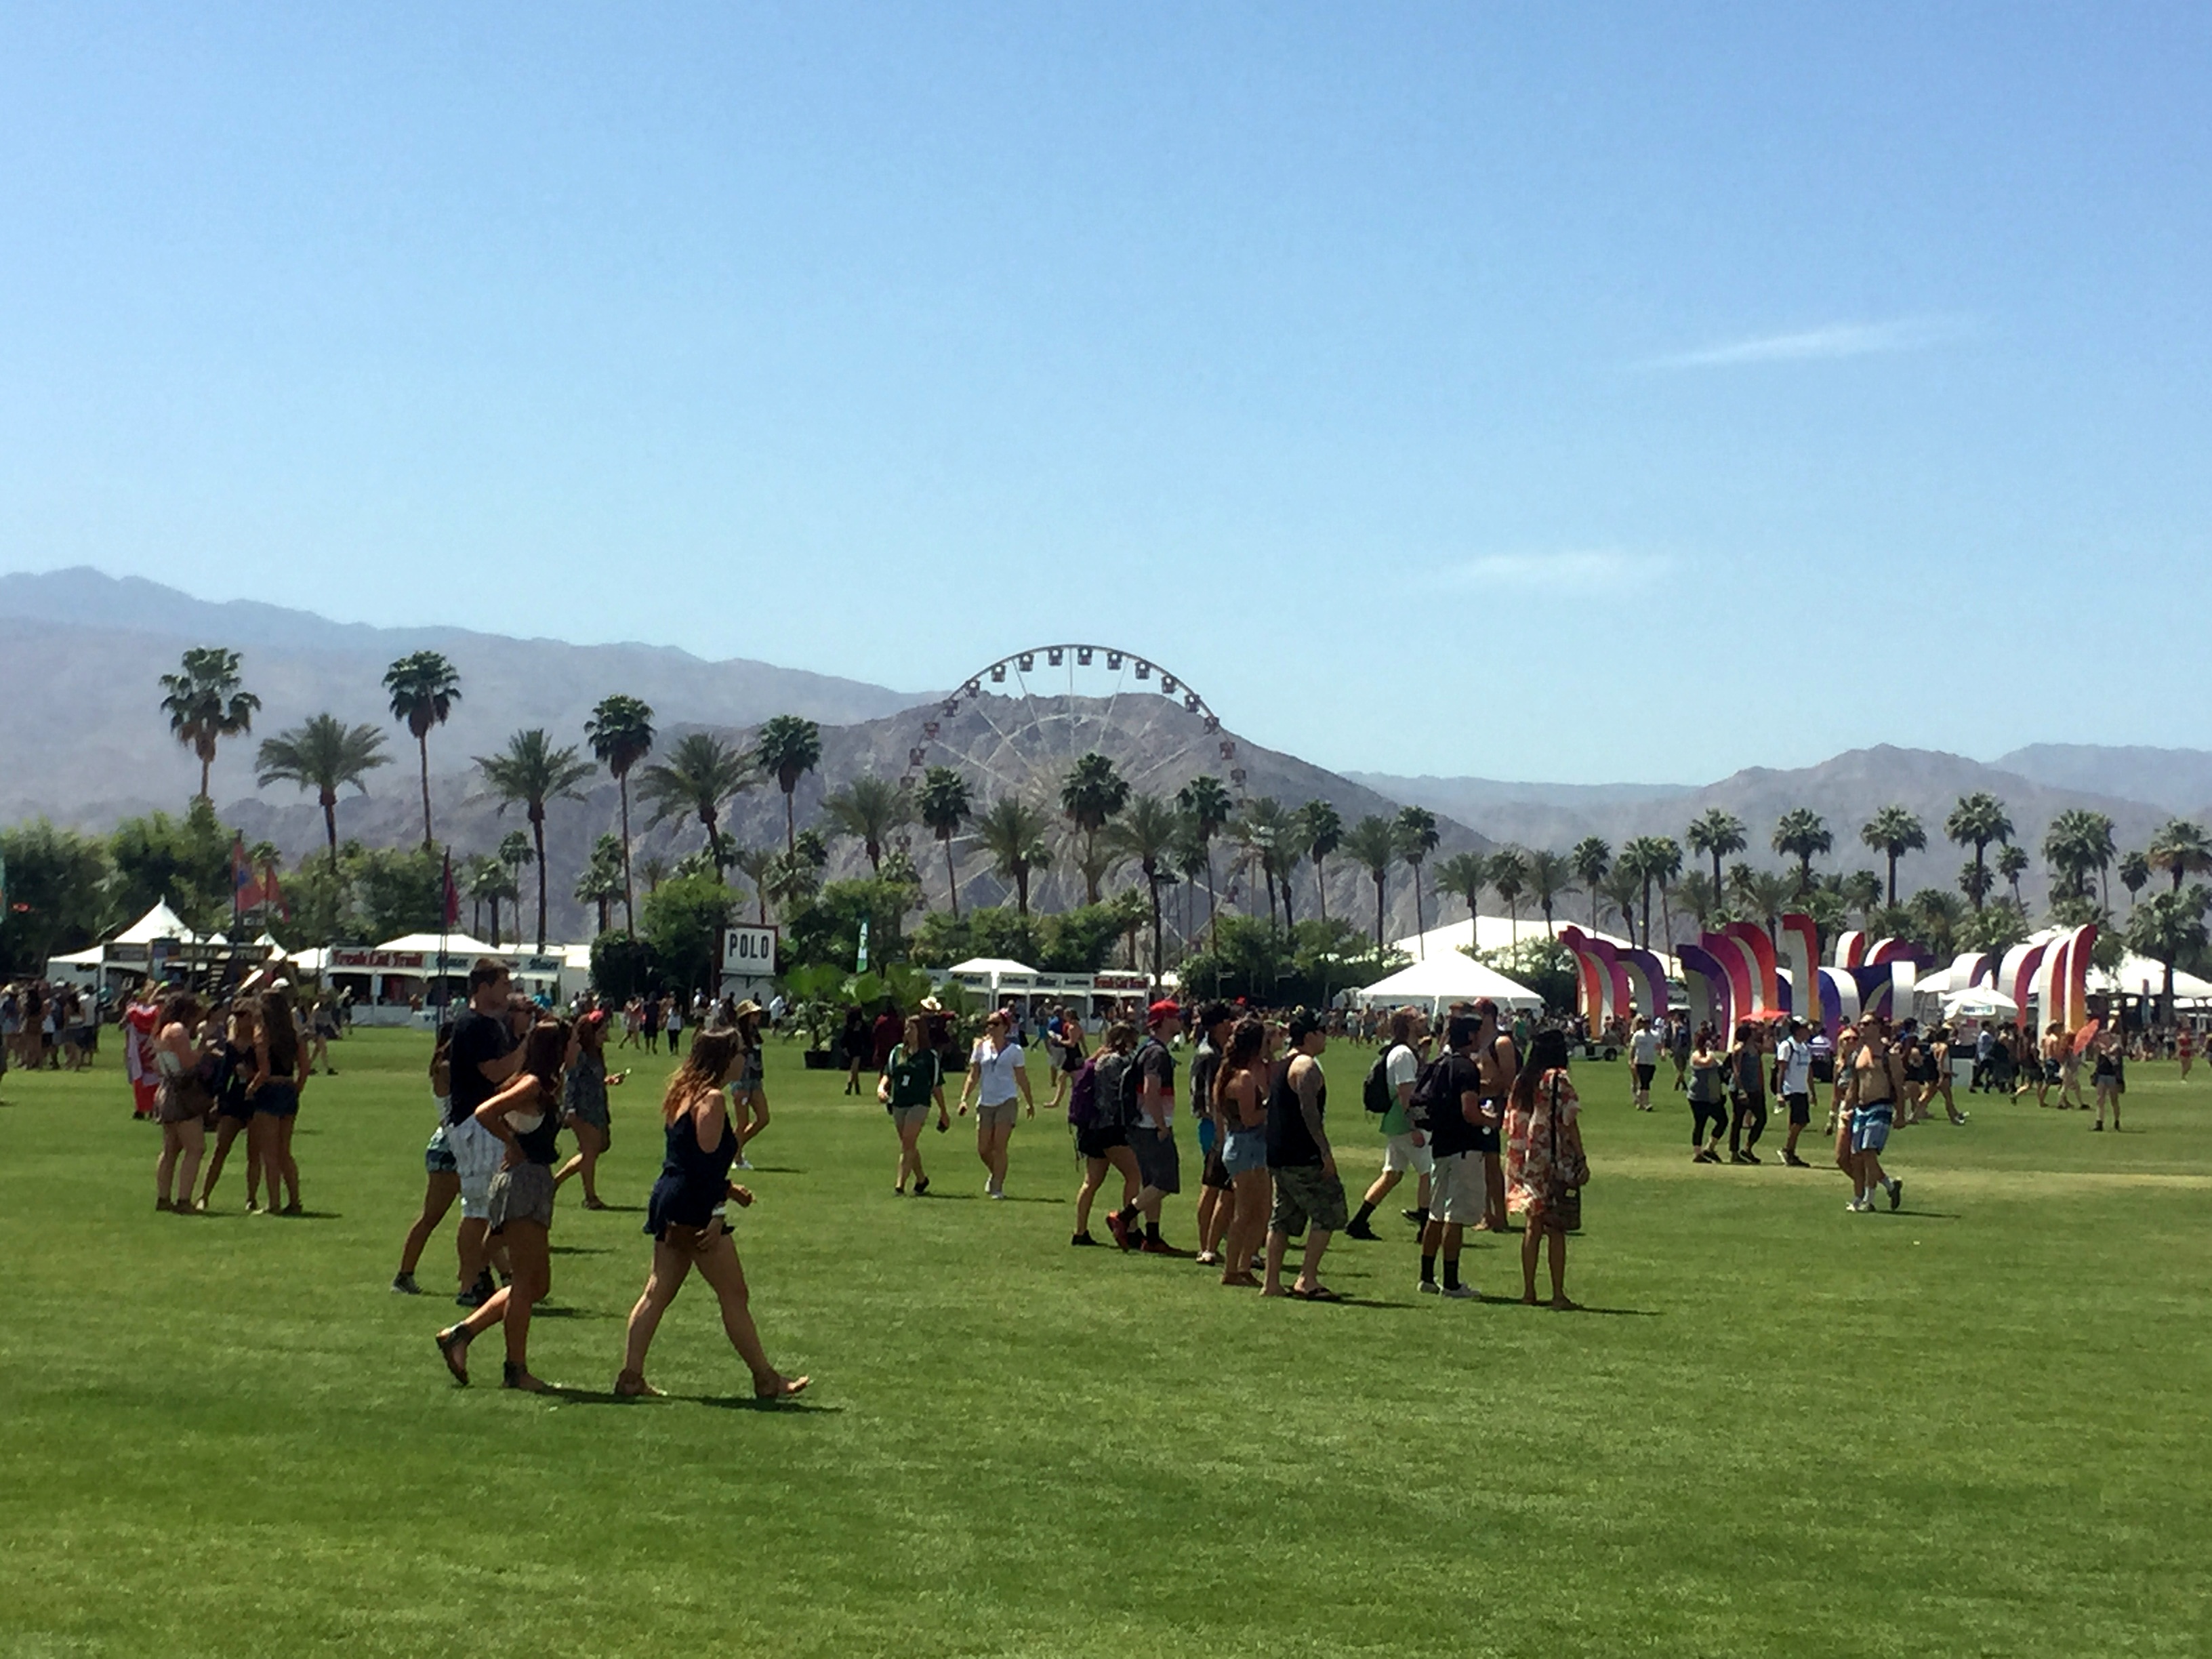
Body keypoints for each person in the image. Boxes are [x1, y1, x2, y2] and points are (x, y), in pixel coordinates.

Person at [614, 1029, 808, 1401]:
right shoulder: (713, 1099)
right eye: (738, 1051)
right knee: (734, 1292)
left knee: (656, 1291)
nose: (743, 1058)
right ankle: (766, 1379)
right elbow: (704, 1168)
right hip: (693, 1205)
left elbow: (689, 1159)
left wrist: (729, 1190)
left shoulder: (683, 1093)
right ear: (723, 1057)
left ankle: (631, 1376)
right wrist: (717, 1213)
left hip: (669, 1195)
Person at [433, 1018, 571, 1391]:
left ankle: (462, 1334)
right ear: (558, 1049)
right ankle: (516, 1369)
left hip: (533, 1183)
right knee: (528, 1283)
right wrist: (511, 1144)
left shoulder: (546, 1086)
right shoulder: (531, 1084)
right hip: (522, 1185)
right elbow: (485, 1112)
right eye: (570, 1043)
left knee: (536, 1284)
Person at [442, 960, 527, 1306]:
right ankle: (468, 1283)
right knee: (476, 1209)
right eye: (502, 983)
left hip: (487, 1123)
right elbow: (494, 1073)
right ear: (483, 987)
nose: (508, 989)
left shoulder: (491, 1025)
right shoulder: (473, 1024)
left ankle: (485, 1276)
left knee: (488, 1207)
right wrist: (528, 1047)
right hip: (476, 1125)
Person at [1263, 1011, 1344, 1300]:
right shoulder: (1306, 1066)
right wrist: (1324, 1152)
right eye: (1322, 1031)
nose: (1326, 1036)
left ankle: (1271, 1283)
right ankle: (1307, 1278)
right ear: (1309, 1035)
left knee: (1282, 1217)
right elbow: (1310, 1113)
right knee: (1330, 1209)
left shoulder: (1282, 1064)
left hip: (1278, 1153)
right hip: (1302, 1155)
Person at [1505, 1028, 1589, 1309]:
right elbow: (1570, 1119)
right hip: (1554, 1158)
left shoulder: (1523, 1079)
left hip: (1530, 1160)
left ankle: (1528, 1291)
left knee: (1533, 1224)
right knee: (1556, 1227)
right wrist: (1581, 1157)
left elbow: (1512, 1122)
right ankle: (1557, 1293)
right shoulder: (1558, 1079)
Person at [1417, 1015, 1488, 1298]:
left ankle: (1426, 1276)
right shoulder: (1466, 1068)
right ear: (1470, 1035)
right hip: (1463, 1147)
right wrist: (1492, 1121)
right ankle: (1451, 1281)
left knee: (1435, 1213)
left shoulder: (1440, 1064)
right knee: (1454, 1216)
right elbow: (1469, 1110)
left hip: (1441, 1145)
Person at [1345, 1006, 1430, 1240]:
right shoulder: (1403, 1053)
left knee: (1392, 1174)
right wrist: (1414, 1127)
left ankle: (1359, 1222)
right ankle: (1425, 1228)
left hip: (1396, 1120)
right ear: (1409, 1024)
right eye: (1417, 1017)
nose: (1423, 1019)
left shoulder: (1405, 1051)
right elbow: (1406, 1094)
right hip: (1404, 1121)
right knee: (1428, 1172)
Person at [1107, 1001, 1183, 1253]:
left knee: (1152, 1182)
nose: (1180, 1019)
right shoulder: (1157, 1054)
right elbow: (1152, 1089)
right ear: (1163, 1020)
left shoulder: (1147, 1048)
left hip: (1140, 1124)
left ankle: (1152, 1237)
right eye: (1175, 1015)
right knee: (1166, 1181)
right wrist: (1162, 1125)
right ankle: (1124, 1218)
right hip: (1150, 1125)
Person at [1210, 1017, 1272, 1287]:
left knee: (1262, 1210)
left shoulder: (1226, 1073)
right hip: (1246, 1145)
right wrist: (1273, 1107)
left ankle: (1244, 1265)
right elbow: (1250, 1118)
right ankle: (1232, 1269)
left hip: (1243, 1145)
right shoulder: (1243, 1078)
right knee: (1245, 1211)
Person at [1071, 1023, 1143, 1245]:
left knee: (1091, 1182)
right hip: (1111, 1128)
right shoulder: (1118, 1062)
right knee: (1134, 1176)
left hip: (1092, 1129)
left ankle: (1080, 1231)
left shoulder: (1098, 1060)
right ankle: (1129, 1227)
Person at [958, 1009, 1033, 1199]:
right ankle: (996, 1173)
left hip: (1006, 1100)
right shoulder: (980, 1048)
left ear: (1006, 1027)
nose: (991, 1027)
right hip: (986, 1102)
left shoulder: (1015, 1051)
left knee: (999, 1146)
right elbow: (973, 1075)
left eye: (996, 1023)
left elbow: (1022, 1078)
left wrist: (1030, 1102)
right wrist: (964, 1099)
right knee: (983, 1148)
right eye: (989, 1023)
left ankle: (998, 1187)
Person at [245, 985, 306, 1215]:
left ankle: (273, 1203)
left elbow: (264, 1071)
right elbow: (305, 1067)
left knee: (269, 1153)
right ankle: (295, 1200)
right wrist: (296, 1088)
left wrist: (251, 1089)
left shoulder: (263, 1034)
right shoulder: (293, 1035)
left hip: (269, 1091)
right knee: (284, 1152)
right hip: (288, 1089)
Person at [554, 1009, 623, 1208]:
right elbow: (571, 1082)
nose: (605, 1037)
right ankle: (590, 1197)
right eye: (601, 1033)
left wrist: (608, 1081)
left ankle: (555, 1183)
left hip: (597, 1107)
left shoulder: (595, 1054)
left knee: (596, 1148)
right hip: (581, 1110)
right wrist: (571, 1110)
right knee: (590, 1150)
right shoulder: (581, 1054)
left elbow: (592, 1080)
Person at [152, 991, 213, 1213]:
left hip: (167, 1090)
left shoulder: (163, 1029)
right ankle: (184, 1199)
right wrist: (203, 1050)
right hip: (182, 1092)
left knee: (170, 1149)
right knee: (195, 1148)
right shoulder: (178, 1031)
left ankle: (163, 1198)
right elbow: (188, 1063)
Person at [197, 1000, 262, 1211]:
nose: (242, 1019)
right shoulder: (232, 1047)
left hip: (256, 1099)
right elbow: (222, 1076)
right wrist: (217, 1100)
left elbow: (267, 1071)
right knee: (220, 1149)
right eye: (239, 1015)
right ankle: (204, 1196)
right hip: (233, 1099)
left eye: (245, 1014)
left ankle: (252, 1199)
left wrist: (251, 1074)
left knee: (254, 1153)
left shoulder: (260, 1044)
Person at [1186, 1002, 1237, 1264]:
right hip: (1214, 1126)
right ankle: (1206, 1243)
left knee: (1221, 1187)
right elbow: (1210, 1100)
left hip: (1217, 1126)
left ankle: (1213, 1241)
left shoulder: (1216, 1051)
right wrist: (1221, 1132)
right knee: (1213, 1186)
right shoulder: (1210, 1055)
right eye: (1228, 1021)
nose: (1231, 1025)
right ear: (1218, 1025)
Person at [879, 1015, 949, 1195]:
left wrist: (943, 1111)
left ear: (921, 1031)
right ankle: (921, 1179)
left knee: (908, 1141)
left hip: (919, 1103)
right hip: (899, 1102)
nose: (908, 1032)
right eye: (906, 1028)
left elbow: (936, 1085)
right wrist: (882, 1088)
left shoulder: (928, 1056)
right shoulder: (898, 1052)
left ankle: (899, 1185)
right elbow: (889, 1073)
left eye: (912, 1028)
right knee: (908, 1144)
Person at [1843, 1017, 1904, 1212]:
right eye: (1861, 1024)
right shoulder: (1858, 1054)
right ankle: (1889, 1185)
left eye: (1867, 1024)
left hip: (1881, 1106)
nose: (1862, 1027)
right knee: (1858, 1156)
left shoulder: (1888, 1055)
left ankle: (1869, 1201)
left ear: (1877, 1028)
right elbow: (1854, 1085)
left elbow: (1898, 1085)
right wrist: (1845, 1108)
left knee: (1869, 1151)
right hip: (1861, 1108)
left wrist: (1901, 1114)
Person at [729, 1000, 770, 1168]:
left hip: (755, 1080)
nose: (758, 1017)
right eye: (754, 1014)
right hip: (741, 1081)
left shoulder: (754, 1033)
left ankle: (732, 1149)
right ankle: (737, 1159)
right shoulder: (737, 1036)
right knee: (742, 1122)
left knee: (763, 1118)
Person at [1773, 1018, 1815, 1167]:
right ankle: (1787, 1150)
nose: (1809, 1031)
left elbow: (1809, 1071)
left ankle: (1791, 1151)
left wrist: (1812, 1091)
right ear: (1797, 1030)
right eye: (1805, 1028)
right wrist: (1780, 1092)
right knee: (1800, 1121)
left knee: (1798, 1122)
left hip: (1802, 1089)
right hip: (1792, 1088)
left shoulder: (1804, 1047)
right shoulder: (1787, 1046)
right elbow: (1781, 1070)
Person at [1726, 1021, 1769, 1165]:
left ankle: (1748, 1148)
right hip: (1740, 1088)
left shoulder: (1756, 1048)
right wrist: (1741, 1090)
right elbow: (1737, 1072)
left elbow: (1769, 1050)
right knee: (1737, 1120)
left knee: (1762, 1118)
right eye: (1753, 1030)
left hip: (1755, 1088)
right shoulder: (1739, 1049)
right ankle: (1734, 1152)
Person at [1687, 1025, 1727, 1163]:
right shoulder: (1696, 1056)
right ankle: (1698, 1154)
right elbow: (1707, 1062)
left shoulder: (1712, 1056)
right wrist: (1710, 1052)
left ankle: (1710, 1148)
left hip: (1713, 1095)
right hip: (1698, 1096)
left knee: (1722, 1121)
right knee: (1700, 1123)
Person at [2091, 1031, 2125, 1130]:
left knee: (2114, 1100)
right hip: (2102, 1075)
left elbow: (2115, 1062)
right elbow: (2097, 1062)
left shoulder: (2116, 1047)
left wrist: (2106, 1052)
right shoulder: (2099, 1048)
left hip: (2112, 1076)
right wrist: (2097, 1052)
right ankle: (2099, 1122)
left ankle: (2117, 1121)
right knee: (2100, 1099)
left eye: (2103, 1036)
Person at [1628, 1015, 1662, 1111]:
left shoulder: (1655, 1035)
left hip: (1651, 1062)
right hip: (1640, 1062)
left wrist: (1662, 1053)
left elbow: (1659, 1045)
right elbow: (1633, 1048)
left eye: (1647, 1023)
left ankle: (1640, 1102)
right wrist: (1631, 1060)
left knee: (1646, 1083)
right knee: (1644, 1084)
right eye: (1644, 1023)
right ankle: (1646, 1103)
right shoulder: (1638, 1035)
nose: (1646, 1025)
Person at [841, 1006, 869, 1097]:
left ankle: (857, 1087)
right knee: (854, 1068)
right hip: (856, 1049)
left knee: (855, 1067)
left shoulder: (849, 1026)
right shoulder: (859, 1026)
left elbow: (843, 1039)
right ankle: (849, 1085)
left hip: (852, 1049)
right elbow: (865, 1037)